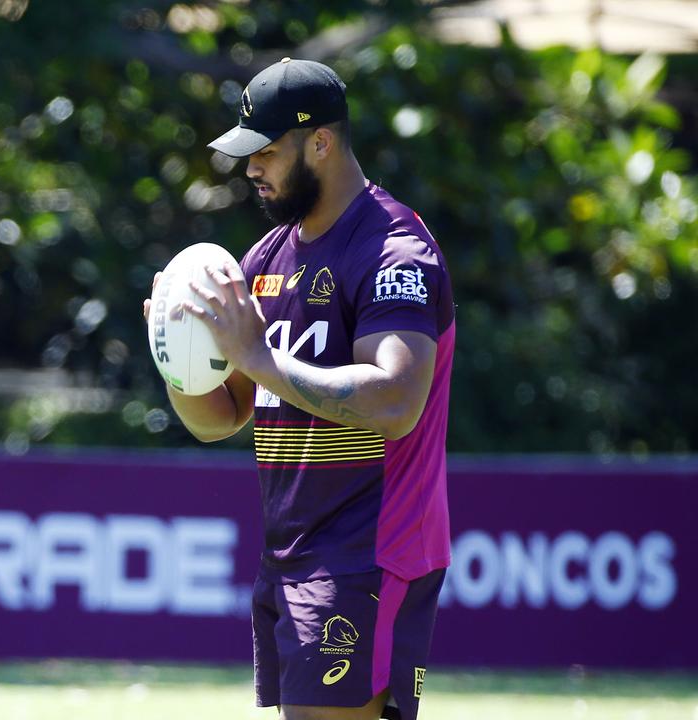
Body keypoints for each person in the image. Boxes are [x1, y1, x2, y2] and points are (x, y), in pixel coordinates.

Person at [149, 58, 455, 720]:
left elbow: (397, 401)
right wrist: (177, 360)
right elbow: (220, 416)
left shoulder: (394, 252)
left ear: (320, 141)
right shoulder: (264, 261)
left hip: (371, 549)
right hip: (293, 555)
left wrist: (256, 355)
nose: (251, 168)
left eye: (266, 150)